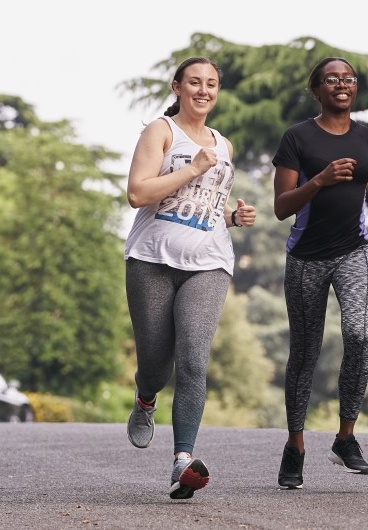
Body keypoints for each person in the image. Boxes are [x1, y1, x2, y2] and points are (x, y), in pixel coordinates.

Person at [123, 56, 256, 500]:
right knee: (156, 362)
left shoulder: (224, 144)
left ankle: (183, 460)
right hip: (151, 260)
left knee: (195, 358)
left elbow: (209, 201)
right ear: (177, 87)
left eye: (212, 84)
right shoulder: (160, 131)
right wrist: (193, 167)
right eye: (194, 82)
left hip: (209, 262)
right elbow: (138, 192)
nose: (203, 90)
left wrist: (233, 216)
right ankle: (145, 399)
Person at [272, 56, 368, 489]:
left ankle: (346, 438)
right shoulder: (298, 137)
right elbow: (281, 206)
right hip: (307, 256)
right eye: (332, 79)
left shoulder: (367, 135)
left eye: (349, 79)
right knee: (306, 352)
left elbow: (364, 175)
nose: (342, 85)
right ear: (317, 88)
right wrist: (320, 180)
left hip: (355, 251)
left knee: (361, 335)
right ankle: (295, 447)